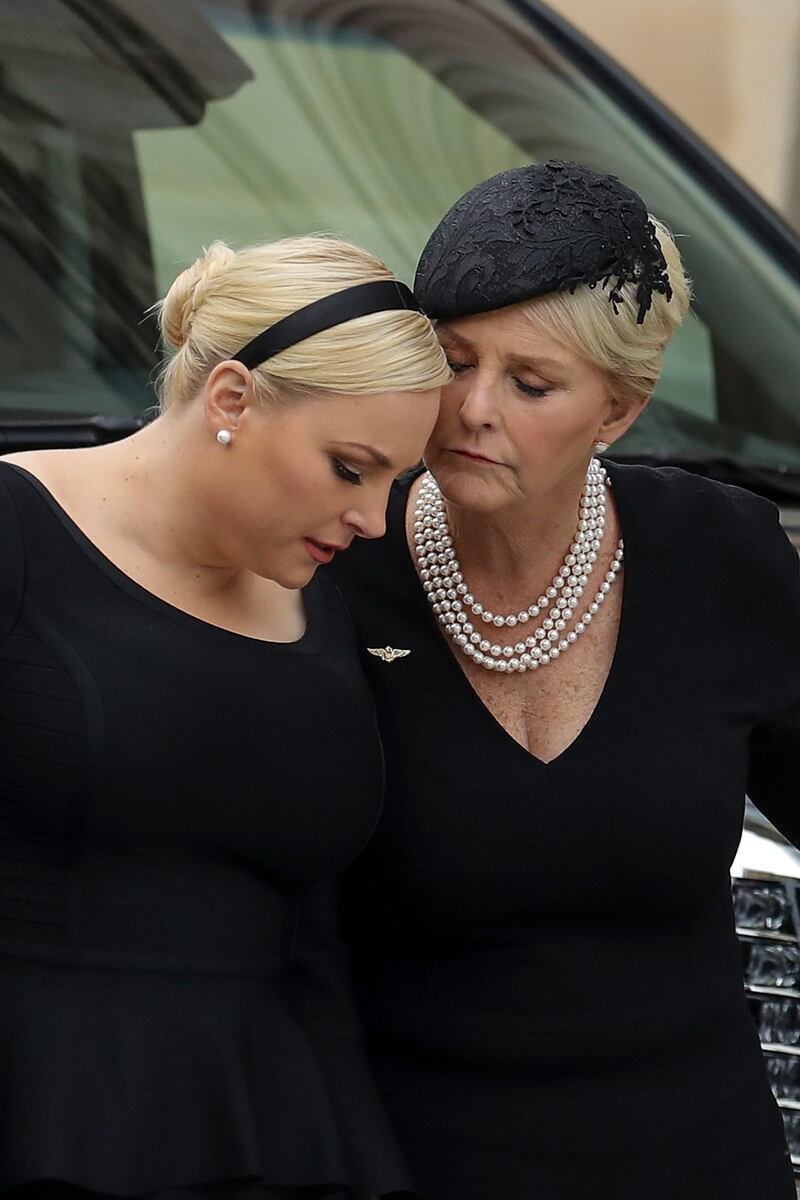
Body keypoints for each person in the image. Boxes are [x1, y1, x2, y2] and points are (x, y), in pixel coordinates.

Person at [329, 161, 800, 1199]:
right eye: (449, 360)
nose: (469, 408)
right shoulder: (333, 560)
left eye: (529, 384)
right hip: (402, 1160)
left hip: (698, 1162)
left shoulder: (722, 558)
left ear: (617, 413)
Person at [0, 234, 449, 1200]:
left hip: (266, 1136)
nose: (374, 518)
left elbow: (317, 938)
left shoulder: (335, 595)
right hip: (40, 1126)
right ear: (232, 399)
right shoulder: (16, 533)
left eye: (394, 482)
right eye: (348, 467)